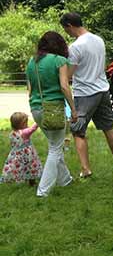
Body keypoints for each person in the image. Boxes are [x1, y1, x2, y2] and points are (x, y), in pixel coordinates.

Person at [60, 12, 113, 178]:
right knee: (108, 128)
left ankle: (85, 169)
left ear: (69, 26)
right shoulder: (98, 40)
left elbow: (69, 75)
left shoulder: (75, 47)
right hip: (103, 89)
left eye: (65, 29)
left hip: (85, 93)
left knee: (78, 131)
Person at [25, 31, 79, 198]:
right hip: (54, 108)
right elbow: (64, 86)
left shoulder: (31, 62)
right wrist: (73, 109)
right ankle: (43, 191)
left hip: (36, 108)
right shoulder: (59, 61)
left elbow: (30, 89)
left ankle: (65, 180)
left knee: (54, 144)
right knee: (55, 148)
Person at [2, 112, 42, 187]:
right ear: (21, 124)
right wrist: (38, 121)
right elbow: (33, 128)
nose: (27, 124)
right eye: (25, 123)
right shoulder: (24, 132)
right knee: (30, 167)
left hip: (17, 156)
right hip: (27, 155)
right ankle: (32, 182)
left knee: (21, 168)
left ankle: (20, 179)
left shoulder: (12, 133)